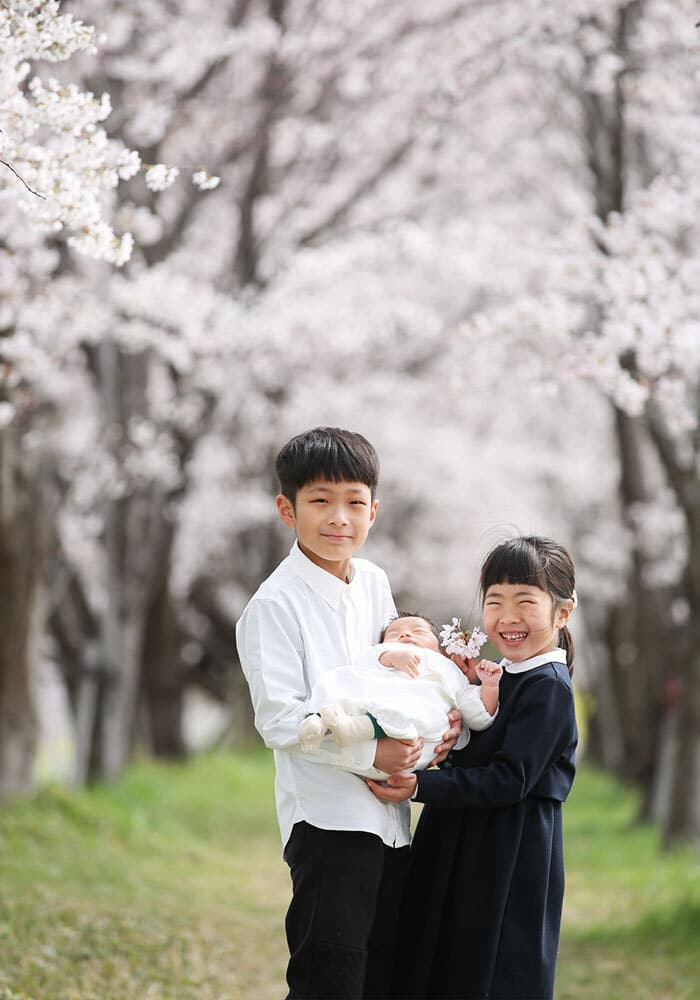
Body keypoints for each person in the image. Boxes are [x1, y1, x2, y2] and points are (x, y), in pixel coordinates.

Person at [235, 427, 461, 1000]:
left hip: (390, 818)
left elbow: (398, 676)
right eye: (320, 501)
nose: (339, 518)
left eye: (355, 503)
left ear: (374, 511)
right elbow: (280, 720)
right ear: (287, 509)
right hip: (328, 820)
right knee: (329, 979)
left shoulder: (374, 583)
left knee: (384, 975)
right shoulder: (273, 606)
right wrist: (373, 752)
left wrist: (441, 722)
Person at [368, 535, 579, 1000]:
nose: (508, 617)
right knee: (439, 961)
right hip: (461, 839)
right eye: (495, 601)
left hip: (505, 853)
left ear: (562, 613)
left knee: (486, 970)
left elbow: (509, 780)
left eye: (526, 601)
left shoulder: (548, 687)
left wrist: (419, 786)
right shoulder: (500, 676)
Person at [298, 614, 502, 776]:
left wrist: (489, 686)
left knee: (417, 710)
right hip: (374, 732)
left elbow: (475, 716)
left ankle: (357, 728)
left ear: (440, 650)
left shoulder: (449, 669)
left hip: (412, 745)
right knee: (339, 679)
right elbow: (363, 663)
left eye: (418, 631)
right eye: (394, 634)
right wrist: (388, 656)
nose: (405, 635)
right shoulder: (381, 655)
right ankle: (318, 721)